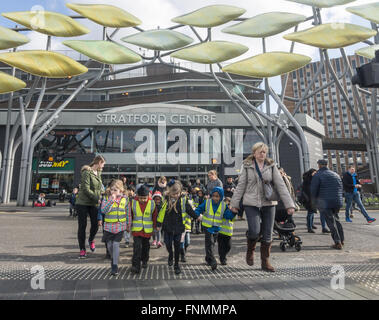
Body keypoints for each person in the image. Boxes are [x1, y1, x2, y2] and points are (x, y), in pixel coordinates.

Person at [230, 142, 295, 272]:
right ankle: (250, 250)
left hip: (269, 203)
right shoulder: (247, 166)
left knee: (268, 234)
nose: (262, 154)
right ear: (254, 153)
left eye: (264, 152)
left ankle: (265, 262)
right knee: (254, 230)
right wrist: (234, 204)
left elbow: (280, 185)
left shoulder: (271, 166)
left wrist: (289, 204)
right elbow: (241, 186)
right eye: (260, 151)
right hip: (251, 203)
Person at [157, 182, 199, 274]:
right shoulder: (166, 199)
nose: (176, 195)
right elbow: (161, 212)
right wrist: (159, 224)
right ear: (170, 192)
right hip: (167, 227)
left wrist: (197, 217)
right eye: (174, 194)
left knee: (177, 246)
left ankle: (176, 265)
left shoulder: (183, 200)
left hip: (179, 227)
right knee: (168, 244)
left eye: (177, 193)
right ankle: (170, 254)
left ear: (180, 192)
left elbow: (189, 210)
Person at [195, 186, 235, 271]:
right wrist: (197, 215)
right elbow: (199, 209)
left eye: (217, 196)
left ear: (221, 197)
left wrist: (233, 212)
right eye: (213, 196)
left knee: (212, 244)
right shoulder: (207, 202)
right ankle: (213, 261)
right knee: (209, 243)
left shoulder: (223, 205)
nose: (215, 198)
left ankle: (208, 258)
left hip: (217, 228)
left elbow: (227, 216)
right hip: (207, 227)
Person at [98, 180, 132, 276]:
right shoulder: (106, 198)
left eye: (115, 190)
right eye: (112, 189)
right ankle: (114, 258)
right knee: (109, 246)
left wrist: (128, 225)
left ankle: (114, 266)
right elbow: (104, 210)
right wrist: (111, 201)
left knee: (116, 245)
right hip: (108, 227)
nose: (113, 192)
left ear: (121, 191)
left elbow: (128, 213)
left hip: (120, 226)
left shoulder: (125, 199)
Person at [75, 155, 106, 259]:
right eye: (103, 164)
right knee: (82, 226)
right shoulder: (86, 173)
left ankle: (91, 239)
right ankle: (82, 249)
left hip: (94, 202)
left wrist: (103, 193)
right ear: (99, 162)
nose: (103, 166)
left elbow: (99, 187)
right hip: (83, 202)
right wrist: (97, 197)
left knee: (96, 224)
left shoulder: (99, 173)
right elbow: (86, 188)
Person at [311, 159, 344, 250]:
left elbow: (313, 190)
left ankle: (337, 242)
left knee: (330, 222)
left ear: (319, 165)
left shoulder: (318, 175)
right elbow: (341, 188)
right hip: (337, 201)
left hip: (325, 202)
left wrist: (313, 201)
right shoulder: (335, 174)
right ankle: (342, 240)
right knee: (337, 220)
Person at [130, 185, 158, 274]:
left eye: (144, 198)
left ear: (148, 196)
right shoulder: (133, 203)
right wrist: (128, 225)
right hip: (137, 230)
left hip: (147, 230)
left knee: (146, 247)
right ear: (137, 196)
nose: (142, 200)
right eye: (141, 198)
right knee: (137, 248)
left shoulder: (152, 203)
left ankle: (145, 260)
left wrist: (155, 227)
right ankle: (135, 266)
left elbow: (154, 216)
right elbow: (130, 215)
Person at [218, 197, 237, 265]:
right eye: (226, 201)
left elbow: (231, 216)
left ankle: (223, 256)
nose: (228, 203)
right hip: (220, 232)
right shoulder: (223, 209)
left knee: (228, 247)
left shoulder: (232, 211)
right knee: (221, 247)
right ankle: (222, 258)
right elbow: (226, 215)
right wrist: (227, 208)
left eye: (229, 202)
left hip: (228, 233)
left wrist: (233, 211)